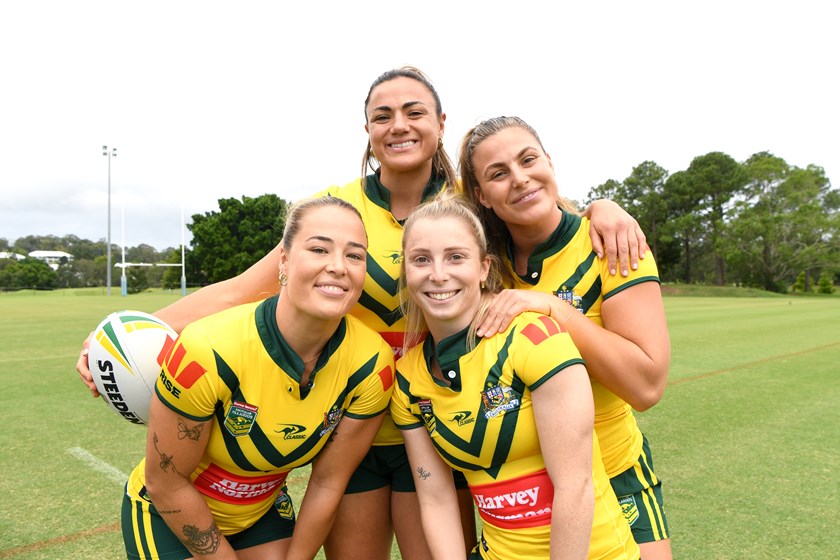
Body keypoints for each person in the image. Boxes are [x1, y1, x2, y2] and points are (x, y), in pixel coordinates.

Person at [78, 67, 646, 560]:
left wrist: (603, 208)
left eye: (414, 112)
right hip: (357, 435)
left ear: (441, 124)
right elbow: (237, 292)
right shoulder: (337, 209)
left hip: (448, 430)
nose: (399, 125)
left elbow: (536, 208)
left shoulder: (471, 202)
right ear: (369, 133)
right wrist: (130, 335)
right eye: (382, 116)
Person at [121, 196, 395, 560]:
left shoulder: (372, 365)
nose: (338, 267)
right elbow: (166, 482)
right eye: (318, 249)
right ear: (283, 260)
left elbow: (328, 483)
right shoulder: (208, 348)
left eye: (355, 255)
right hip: (168, 513)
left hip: (262, 512)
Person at [459, 116, 672, 559]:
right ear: (481, 195)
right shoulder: (480, 263)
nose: (519, 179)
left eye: (528, 159)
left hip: (614, 472)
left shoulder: (611, 244)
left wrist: (554, 308)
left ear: (549, 161)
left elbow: (647, 385)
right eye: (498, 174)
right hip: (523, 487)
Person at [391, 194, 640, 560]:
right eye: (421, 260)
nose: (438, 274)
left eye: (456, 257)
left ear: (482, 267)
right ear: (407, 272)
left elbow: (575, 485)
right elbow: (436, 496)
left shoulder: (535, 337)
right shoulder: (409, 380)